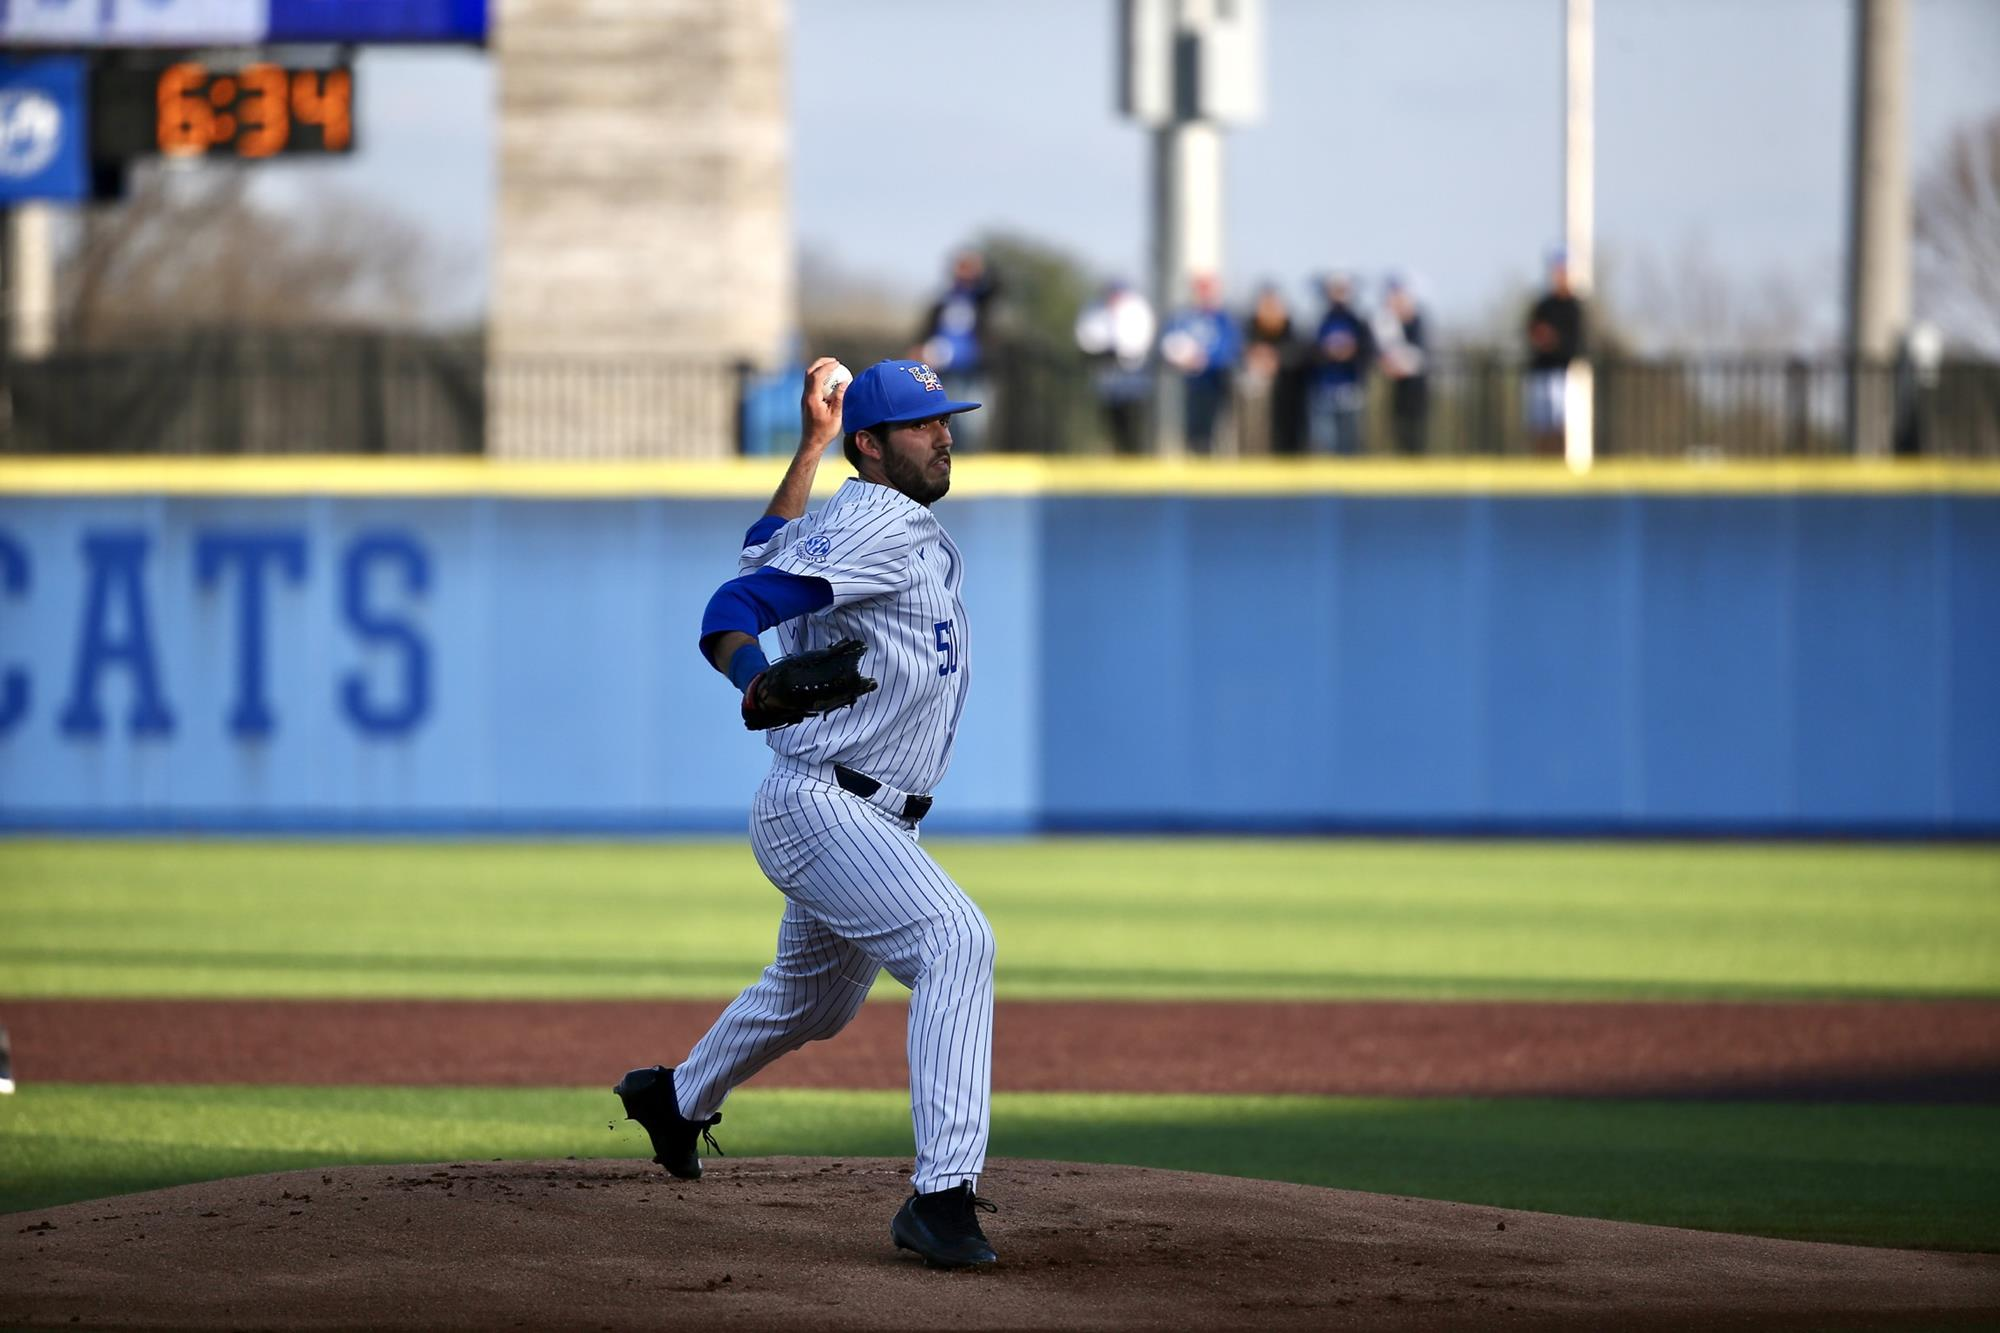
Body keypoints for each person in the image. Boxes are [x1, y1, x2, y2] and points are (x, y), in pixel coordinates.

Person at [616, 356, 1000, 1270]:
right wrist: (753, 682)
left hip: (862, 811)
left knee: (813, 1001)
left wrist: (808, 447)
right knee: (957, 942)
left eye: (945, 418)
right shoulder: (881, 520)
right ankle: (941, 1197)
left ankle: (675, 1100)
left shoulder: (856, 514)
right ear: (876, 445)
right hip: (825, 803)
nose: (944, 433)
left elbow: (760, 552)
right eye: (921, 424)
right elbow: (735, 604)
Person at [912, 250, 1000, 450]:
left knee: (974, 423)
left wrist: (980, 269)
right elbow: (925, 332)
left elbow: (998, 284)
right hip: (946, 372)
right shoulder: (943, 301)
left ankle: (970, 458)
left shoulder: (980, 299)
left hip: (975, 370)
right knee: (950, 422)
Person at [1158, 272, 1243, 454]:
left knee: (1211, 428)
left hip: (1213, 381)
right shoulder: (1181, 317)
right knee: (1185, 428)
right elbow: (1166, 344)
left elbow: (1231, 349)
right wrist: (1181, 359)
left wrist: (1205, 360)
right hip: (1183, 383)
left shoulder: (1223, 319)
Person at [1074, 279, 1156, 455]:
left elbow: (1139, 341)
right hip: (1107, 371)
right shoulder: (1094, 310)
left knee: (1134, 415)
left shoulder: (1137, 309)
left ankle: (1135, 451)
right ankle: (1118, 450)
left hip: (1133, 370)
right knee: (1111, 416)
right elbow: (1087, 338)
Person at [1525, 250, 1585, 456]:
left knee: (1561, 422)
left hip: (1563, 373)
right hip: (1541, 371)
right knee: (1541, 424)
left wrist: (1554, 340)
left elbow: (1575, 342)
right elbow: (1531, 332)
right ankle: (1541, 461)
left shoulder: (1573, 307)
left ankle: (1561, 459)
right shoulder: (1544, 305)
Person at [1308, 274, 1376, 455]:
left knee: (1350, 445)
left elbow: (1368, 353)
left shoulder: (1357, 322)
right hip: (1324, 391)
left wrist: (1350, 353)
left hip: (1351, 391)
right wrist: (1327, 352)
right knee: (1325, 445)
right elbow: (1309, 352)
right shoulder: (1320, 321)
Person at [1238, 282, 1302, 456]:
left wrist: (1276, 359)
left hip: (1286, 399)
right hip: (1256, 398)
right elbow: (1240, 353)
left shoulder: (1289, 328)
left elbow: (1298, 354)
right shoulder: (1249, 328)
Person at [1372, 277, 1429, 456]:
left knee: (1415, 423)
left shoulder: (1416, 321)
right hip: (1396, 382)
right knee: (1398, 422)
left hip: (1415, 383)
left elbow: (1420, 354)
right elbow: (1382, 349)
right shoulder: (1387, 322)